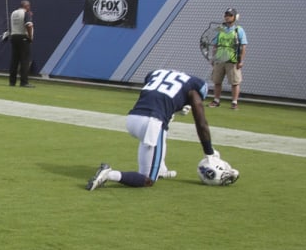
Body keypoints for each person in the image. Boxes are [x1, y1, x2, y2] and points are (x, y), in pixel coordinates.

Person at [87, 68, 221, 190]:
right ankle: (109, 174)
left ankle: (160, 168)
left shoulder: (156, 73)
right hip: (151, 123)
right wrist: (209, 152)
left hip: (133, 118)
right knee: (148, 180)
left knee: (162, 131)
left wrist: (175, 106)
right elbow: (201, 123)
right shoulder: (195, 86)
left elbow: (158, 95)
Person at [208, 8, 248, 109]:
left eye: (229, 15)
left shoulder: (238, 29)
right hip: (220, 59)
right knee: (217, 81)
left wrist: (241, 61)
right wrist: (213, 58)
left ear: (234, 17)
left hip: (232, 59)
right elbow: (215, 45)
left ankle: (234, 102)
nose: (227, 17)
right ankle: (216, 100)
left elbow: (243, 46)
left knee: (235, 82)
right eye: (226, 15)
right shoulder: (220, 28)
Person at [8, 0, 34, 87]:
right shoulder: (26, 13)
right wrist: (30, 36)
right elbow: (29, 25)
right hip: (23, 37)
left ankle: (12, 81)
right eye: (29, 6)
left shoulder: (13, 13)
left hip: (14, 36)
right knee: (24, 61)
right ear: (26, 6)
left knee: (14, 60)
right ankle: (24, 82)